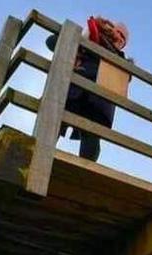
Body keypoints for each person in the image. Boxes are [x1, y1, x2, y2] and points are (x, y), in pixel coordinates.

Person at [46, 17, 129, 162]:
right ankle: (39, 154)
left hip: (98, 103)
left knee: (91, 137)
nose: (120, 38)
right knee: (54, 123)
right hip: (74, 93)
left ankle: (84, 172)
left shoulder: (121, 61)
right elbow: (51, 42)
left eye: (124, 39)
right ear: (110, 29)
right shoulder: (91, 38)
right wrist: (81, 42)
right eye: (118, 32)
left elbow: (122, 82)